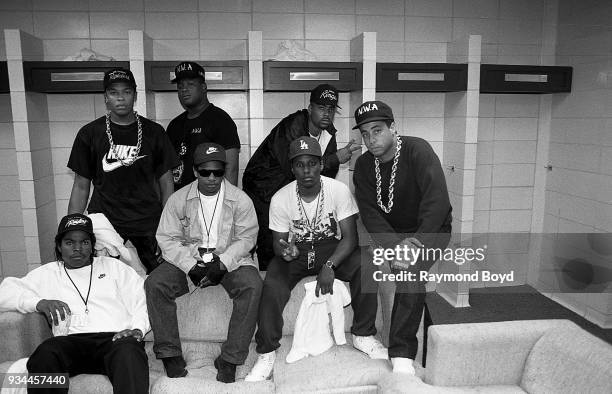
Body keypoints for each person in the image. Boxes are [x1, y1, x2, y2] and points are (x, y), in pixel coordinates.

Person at [245, 136, 386, 382]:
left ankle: (363, 335)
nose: (306, 170)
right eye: (300, 164)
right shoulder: (280, 198)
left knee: (368, 263)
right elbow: (279, 243)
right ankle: (267, 352)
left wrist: (330, 265)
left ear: (321, 164)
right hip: (297, 252)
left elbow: (350, 238)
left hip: (330, 247)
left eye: (312, 163)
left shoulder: (338, 190)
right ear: (292, 168)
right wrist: (285, 251)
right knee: (272, 284)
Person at [146, 143, 262, 383]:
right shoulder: (178, 199)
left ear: (224, 171)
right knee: (155, 283)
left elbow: (247, 238)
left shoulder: (240, 200)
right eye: (205, 171)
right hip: (189, 257)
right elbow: (167, 238)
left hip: (230, 257)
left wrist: (223, 265)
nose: (211, 178)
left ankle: (229, 359)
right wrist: (190, 266)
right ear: (195, 171)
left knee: (253, 285)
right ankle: (169, 353)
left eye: (218, 172)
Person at [352, 100, 452, 374]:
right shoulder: (362, 165)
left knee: (409, 271)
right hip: (394, 235)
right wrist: (397, 244)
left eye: (377, 130)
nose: (371, 139)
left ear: (393, 127)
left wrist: (412, 245)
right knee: (402, 272)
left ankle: (402, 355)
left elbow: (437, 202)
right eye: (365, 134)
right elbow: (371, 214)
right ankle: (422, 340)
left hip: (431, 230)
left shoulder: (417, 149)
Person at [0, 213, 150, 394]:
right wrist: (39, 303)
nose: (77, 248)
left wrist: (137, 329)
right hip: (71, 345)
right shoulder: (48, 273)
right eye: (70, 242)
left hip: (115, 341)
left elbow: (142, 301)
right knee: (47, 352)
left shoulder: (114, 267)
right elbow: (5, 291)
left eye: (84, 242)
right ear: (59, 246)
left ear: (92, 245)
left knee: (129, 351)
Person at [67, 67, 179, 274]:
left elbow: (166, 182)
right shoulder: (89, 133)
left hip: (148, 219)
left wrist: (169, 222)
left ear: (135, 96)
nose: (121, 98)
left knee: (161, 276)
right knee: (103, 276)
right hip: (105, 218)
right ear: (105, 97)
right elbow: (81, 186)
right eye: (114, 92)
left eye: (126, 92)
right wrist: (72, 226)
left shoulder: (154, 132)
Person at [242, 84, 360, 270]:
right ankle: (268, 277)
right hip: (264, 190)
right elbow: (295, 168)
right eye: (321, 108)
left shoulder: (328, 133)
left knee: (300, 241)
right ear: (310, 108)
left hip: (293, 191)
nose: (326, 114)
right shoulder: (293, 126)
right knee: (270, 242)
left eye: (330, 109)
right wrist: (336, 158)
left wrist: (333, 160)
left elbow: (323, 175)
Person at [167, 61, 241, 189]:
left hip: (210, 200)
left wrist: (226, 203)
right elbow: (166, 169)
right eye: (180, 86)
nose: (184, 89)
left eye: (190, 84)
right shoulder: (174, 125)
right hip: (181, 201)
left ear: (203, 87)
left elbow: (231, 168)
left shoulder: (221, 120)